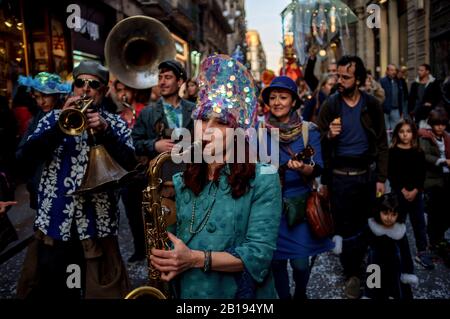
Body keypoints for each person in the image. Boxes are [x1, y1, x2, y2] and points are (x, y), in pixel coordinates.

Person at [150, 54, 282, 299]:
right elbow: (174, 235)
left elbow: (257, 255)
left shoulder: (264, 178)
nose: (207, 129)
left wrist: (193, 259)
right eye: (201, 119)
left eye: (220, 122)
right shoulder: (182, 175)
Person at [16, 61, 135, 299]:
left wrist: (106, 133)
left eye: (94, 85)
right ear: (73, 87)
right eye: (81, 83)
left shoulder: (116, 123)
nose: (86, 89)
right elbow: (23, 161)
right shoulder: (51, 119)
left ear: (102, 91)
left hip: (97, 225)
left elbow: (131, 168)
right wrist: (59, 127)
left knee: (101, 290)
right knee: (57, 290)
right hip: (57, 222)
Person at [316, 55, 388, 299]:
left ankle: (371, 270)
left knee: (367, 224)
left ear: (358, 80)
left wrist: (381, 177)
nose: (339, 80)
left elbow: (382, 143)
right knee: (345, 228)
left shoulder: (372, 105)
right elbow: (316, 142)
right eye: (338, 76)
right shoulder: (331, 104)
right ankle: (352, 276)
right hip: (340, 178)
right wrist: (329, 134)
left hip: (366, 176)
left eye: (345, 77)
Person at [262, 75, 333, 299]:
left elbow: (318, 166)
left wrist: (303, 168)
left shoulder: (308, 130)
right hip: (270, 207)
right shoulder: (260, 131)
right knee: (276, 264)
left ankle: (300, 294)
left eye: (283, 97)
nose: (277, 102)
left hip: (299, 204)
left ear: (293, 101)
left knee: (301, 263)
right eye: (273, 97)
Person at [334, 193, 418, 299]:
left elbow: (406, 253)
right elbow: (357, 240)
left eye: (393, 214)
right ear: (379, 211)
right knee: (373, 292)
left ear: (398, 214)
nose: (389, 218)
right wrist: (340, 243)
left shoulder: (399, 230)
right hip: (374, 268)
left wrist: (408, 271)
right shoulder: (372, 227)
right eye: (385, 213)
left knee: (396, 292)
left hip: (394, 268)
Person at [16, 72, 71, 210]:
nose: (41, 102)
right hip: (39, 184)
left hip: (64, 184)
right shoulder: (37, 118)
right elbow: (22, 153)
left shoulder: (69, 114)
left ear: (57, 95)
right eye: (37, 97)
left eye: (45, 96)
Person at [388, 119, 434, 269]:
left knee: (419, 222)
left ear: (413, 134)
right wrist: (403, 190)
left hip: (416, 193)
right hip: (399, 193)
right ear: (397, 134)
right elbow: (393, 174)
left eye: (408, 131)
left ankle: (422, 251)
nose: (405, 135)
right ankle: (396, 250)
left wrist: (415, 190)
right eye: (401, 132)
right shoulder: (393, 152)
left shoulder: (418, 152)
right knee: (398, 221)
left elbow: (421, 174)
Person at [418, 107, 450, 267]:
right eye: (437, 124)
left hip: (446, 178)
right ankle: (433, 241)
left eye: (443, 124)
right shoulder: (425, 136)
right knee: (434, 212)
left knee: (444, 211)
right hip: (432, 180)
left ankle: (439, 238)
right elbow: (424, 155)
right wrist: (442, 161)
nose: (440, 127)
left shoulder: (446, 137)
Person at [409, 64, 441, 128]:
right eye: (418, 70)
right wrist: (410, 111)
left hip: (429, 113)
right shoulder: (414, 84)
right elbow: (411, 99)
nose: (419, 72)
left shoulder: (434, 83)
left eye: (421, 70)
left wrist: (432, 104)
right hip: (416, 112)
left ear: (427, 71)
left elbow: (438, 97)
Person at [380, 64, 405, 141]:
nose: (393, 72)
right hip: (385, 110)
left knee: (396, 130)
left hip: (396, 110)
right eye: (391, 70)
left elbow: (401, 97)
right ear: (387, 71)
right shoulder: (382, 81)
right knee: (386, 130)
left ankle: (394, 146)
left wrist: (402, 111)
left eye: (394, 70)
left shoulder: (399, 81)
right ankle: (388, 148)